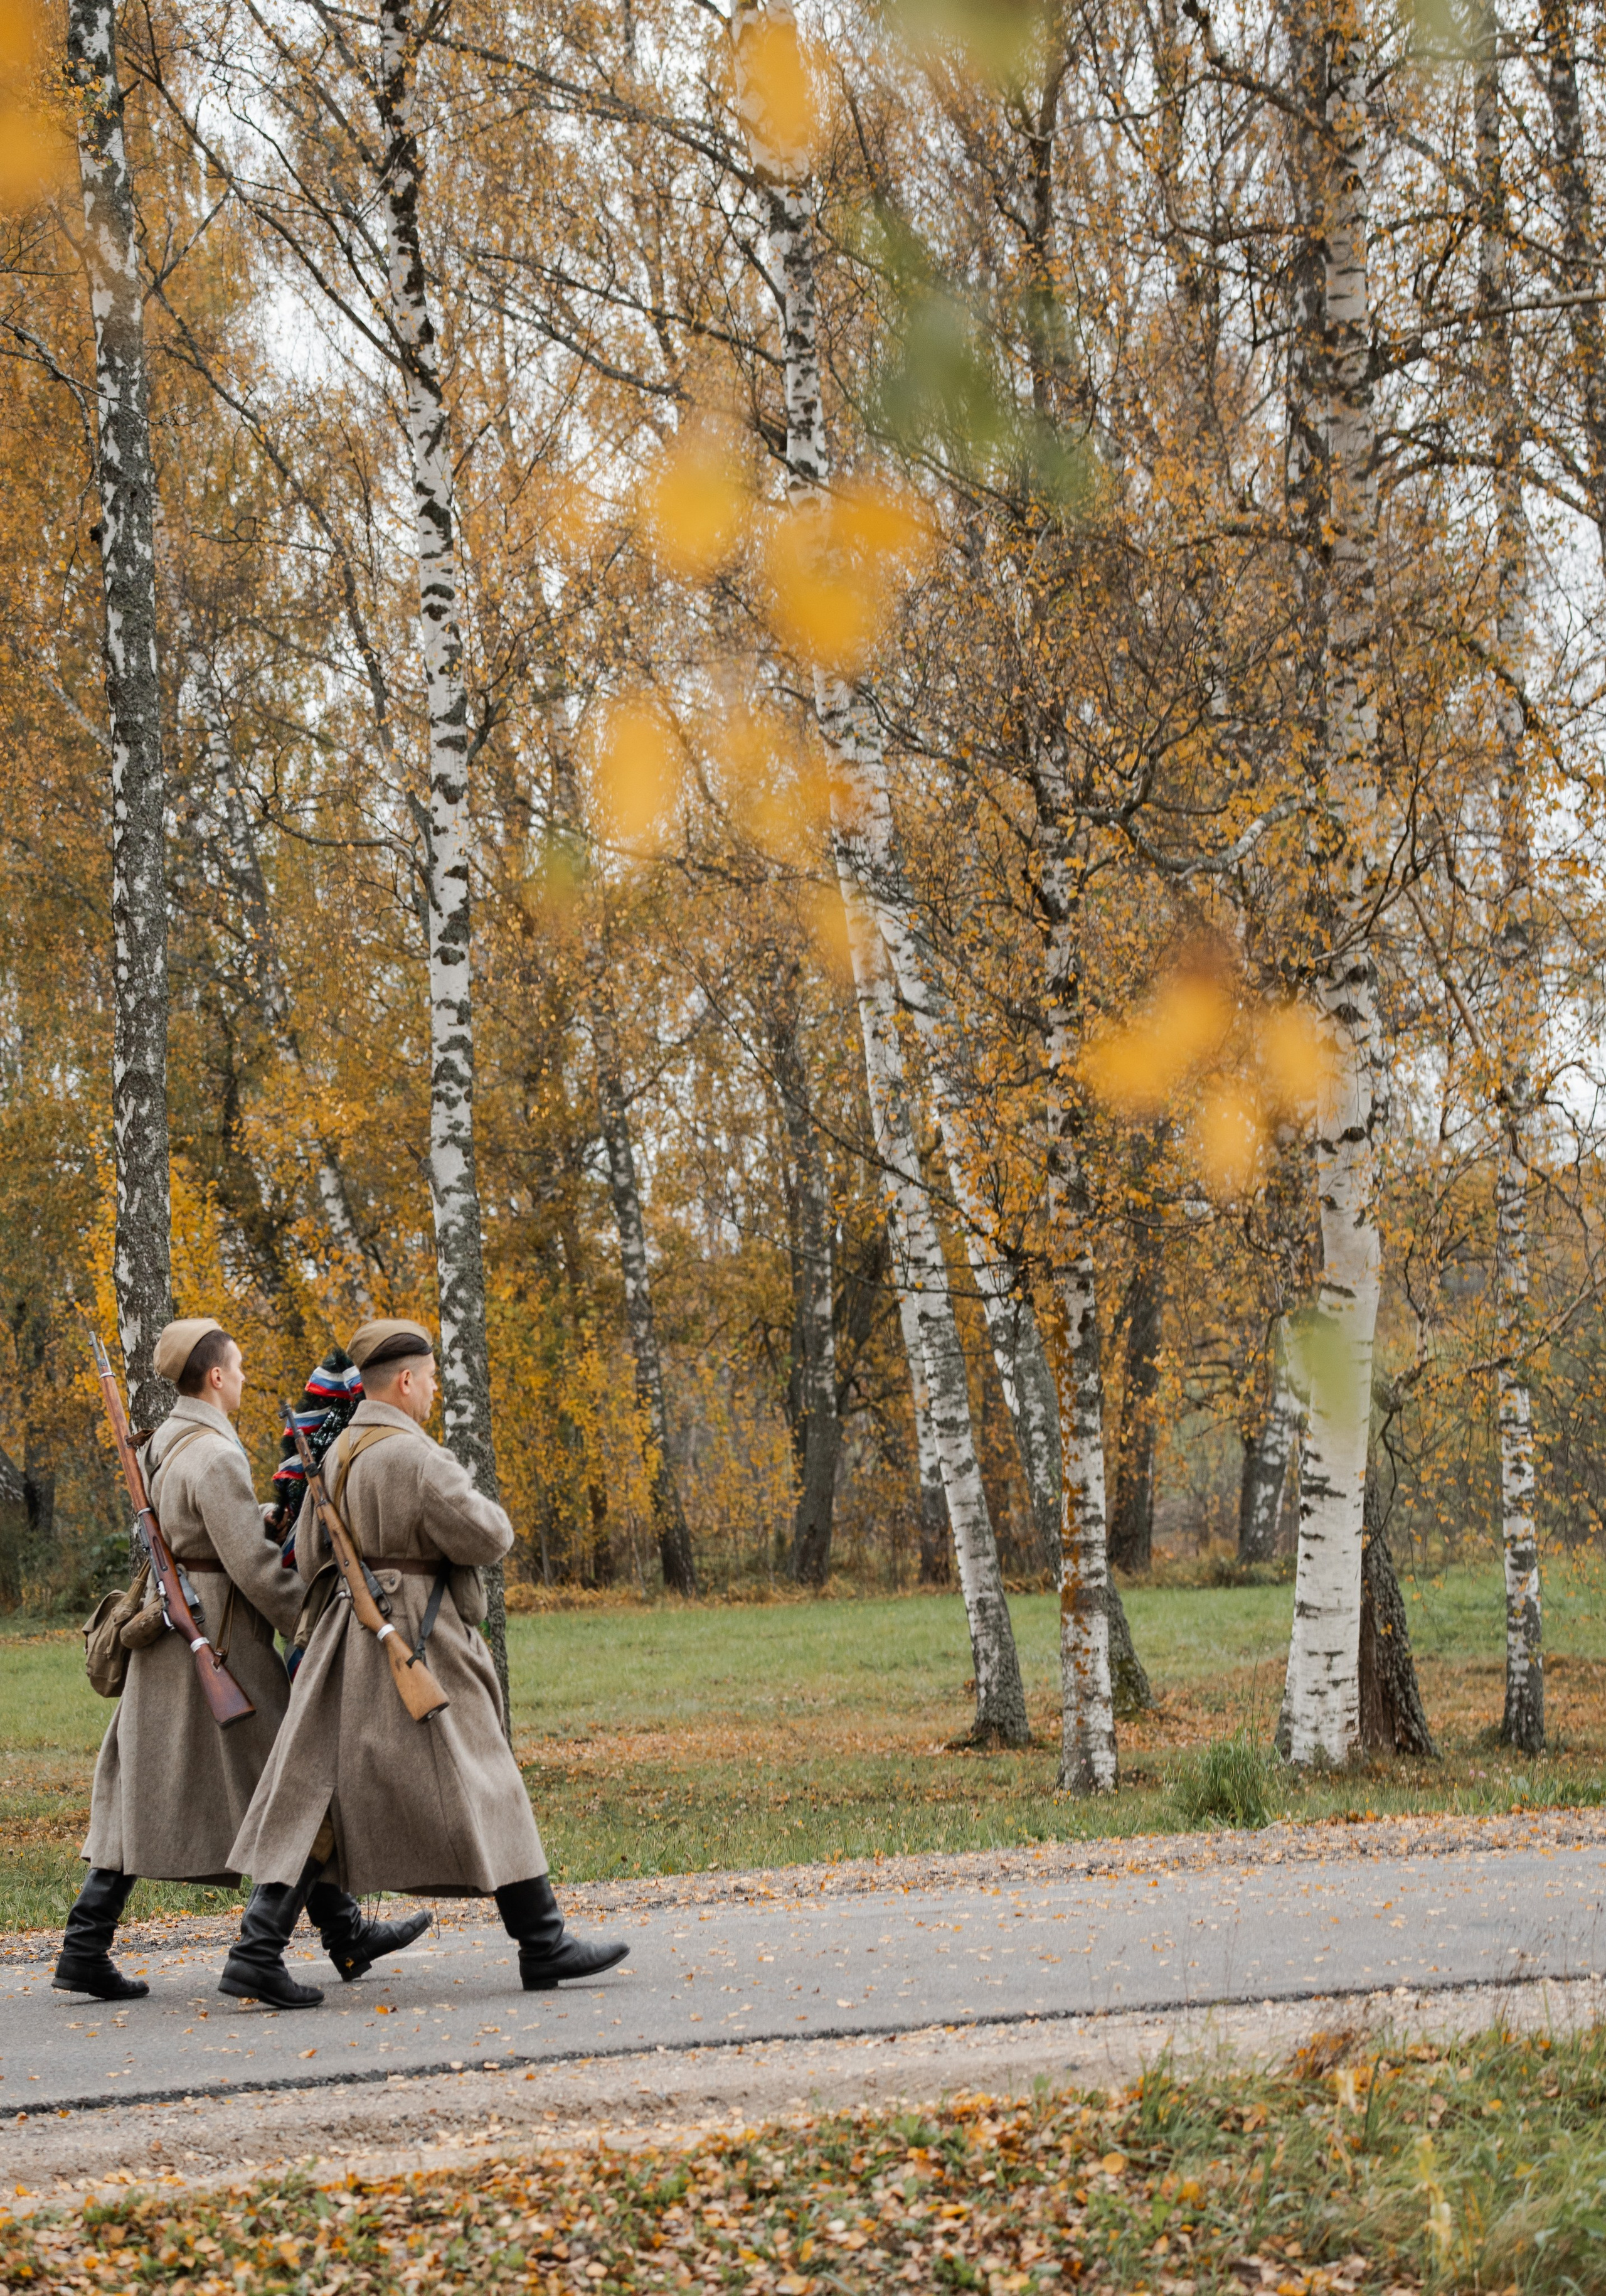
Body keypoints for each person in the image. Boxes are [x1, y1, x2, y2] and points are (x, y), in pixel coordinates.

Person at [223, 1318, 628, 2010]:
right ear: (405, 1381)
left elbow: (310, 1552)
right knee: (490, 1777)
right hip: (419, 1636)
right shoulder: (417, 1457)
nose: (435, 1391)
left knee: (319, 1794)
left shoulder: (337, 1452)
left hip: (345, 1641)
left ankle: (257, 1948)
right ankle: (543, 1941)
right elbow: (488, 1534)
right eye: (431, 1378)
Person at [55, 1318, 427, 2004]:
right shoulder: (215, 1455)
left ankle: (86, 1944)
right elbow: (254, 1567)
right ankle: (313, 1939)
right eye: (241, 1364)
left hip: (179, 1631)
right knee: (300, 1781)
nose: (248, 1376)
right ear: (216, 1376)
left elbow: (197, 1523)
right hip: (222, 1638)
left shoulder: (169, 1444)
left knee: (141, 1790)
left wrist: (254, 1513)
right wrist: (311, 1621)